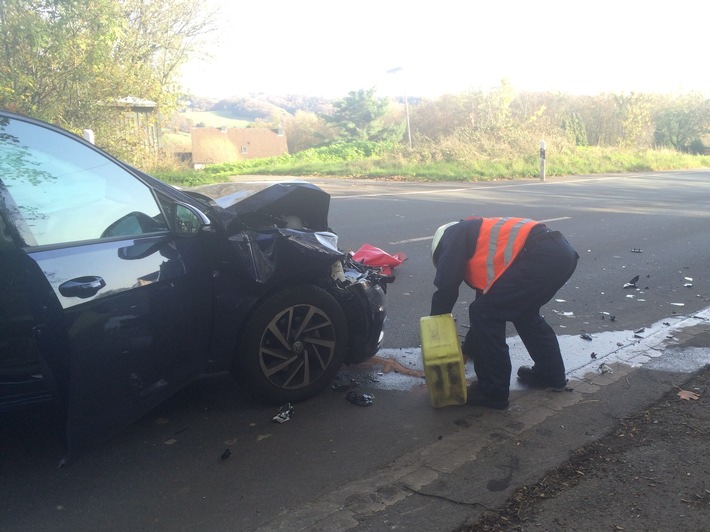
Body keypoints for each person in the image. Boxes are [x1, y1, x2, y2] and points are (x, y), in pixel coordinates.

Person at [430, 216, 579, 410]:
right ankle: (551, 375)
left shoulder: (454, 235)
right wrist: (468, 350)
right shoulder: (478, 238)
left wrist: (435, 330)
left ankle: (492, 392)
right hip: (560, 253)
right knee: (523, 313)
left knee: (485, 313)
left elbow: (446, 285)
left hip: (540, 255)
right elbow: (485, 303)